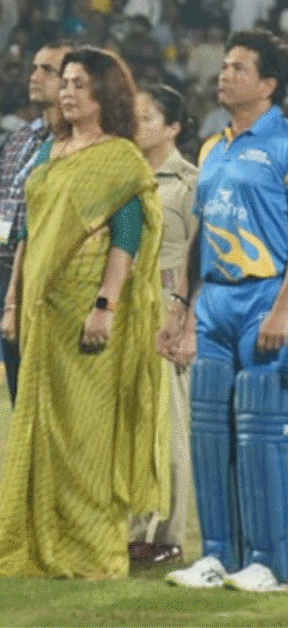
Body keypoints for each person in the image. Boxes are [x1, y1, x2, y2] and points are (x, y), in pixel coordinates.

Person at [160, 28, 288, 592]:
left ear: (269, 83)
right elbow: (201, 235)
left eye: (237, 67)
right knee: (210, 428)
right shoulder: (212, 147)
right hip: (217, 300)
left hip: (266, 296)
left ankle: (268, 560)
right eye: (224, 65)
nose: (223, 74)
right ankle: (217, 555)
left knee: (263, 430)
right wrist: (183, 306)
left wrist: (285, 309)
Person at [0, 47, 168, 579]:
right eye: (65, 83)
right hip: (40, 310)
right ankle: (41, 539)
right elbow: (29, 230)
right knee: (41, 426)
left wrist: (105, 306)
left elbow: (127, 235)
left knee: (87, 434)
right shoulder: (53, 150)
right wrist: (12, 301)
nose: (68, 92)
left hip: (88, 307)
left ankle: (93, 550)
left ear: (104, 96)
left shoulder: (119, 157)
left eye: (80, 85)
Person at [129, 84, 199, 565]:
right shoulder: (125, 177)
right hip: (127, 313)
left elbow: (201, 258)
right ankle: (135, 530)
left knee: (172, 427)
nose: (136, 125)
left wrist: (189, 322)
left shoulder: (191, 182)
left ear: (173, 127)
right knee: (133, 425)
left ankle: (170, 534)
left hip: (168, 312)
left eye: (147, 118)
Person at [0, 43, 69, 405]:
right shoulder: (19, 138)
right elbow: (5, 206)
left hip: (50, 279)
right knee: (16, 382)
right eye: (34, 67)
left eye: (47, 70)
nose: (34, 76)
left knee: (52, 394)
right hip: (7, 273)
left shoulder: (77, 142)